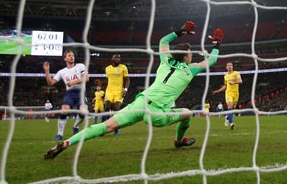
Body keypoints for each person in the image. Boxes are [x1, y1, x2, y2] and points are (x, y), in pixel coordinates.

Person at [44, 21, 223, 160]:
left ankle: (67, 142)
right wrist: (216, 43)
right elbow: (213, 60)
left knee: (104, 126)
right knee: (187, 113)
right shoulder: (191, 69)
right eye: (191, 54)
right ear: (186, 57)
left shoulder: (165, 60)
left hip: (139, 103)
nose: (192, 56)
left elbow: (163, 41)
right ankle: (178, 141)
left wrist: (181, 31)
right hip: (155, 114)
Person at [43, 50, 89, 140]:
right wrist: (47, 71)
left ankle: (75, 126)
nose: (72, 57)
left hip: (81, 93)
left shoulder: (80, 66)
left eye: (72, 55)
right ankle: (59, 134)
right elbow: (50, 82)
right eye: (69, 55)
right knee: (64, 111)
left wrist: (73, 82)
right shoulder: (62, 72)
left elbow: (86, 78)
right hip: (70, 94)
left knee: (84, 112)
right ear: (65, 58)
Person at [104, 53, 130, 135]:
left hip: (119, 91)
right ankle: (103, 126)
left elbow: (127, 80)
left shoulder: (123, 67)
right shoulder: (107, 68)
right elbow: (108, 80)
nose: (118, 59)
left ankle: (116, 128)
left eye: (119, 58)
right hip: (109, 90)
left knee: (116, 108)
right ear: (112, 59)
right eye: (116, 58)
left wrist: (125, 89)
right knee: (107, 106)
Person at [212, 62, 242, 130]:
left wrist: (233, 82)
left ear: (232, 67)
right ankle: (231, 123)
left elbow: (240, 81)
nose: (229, 66)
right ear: (226, 67)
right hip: (228, 93)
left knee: (232, 109)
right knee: (230, 106)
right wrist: (218, 91)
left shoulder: (236, 73)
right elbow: (225, 86)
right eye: (228, 65)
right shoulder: (225, 76)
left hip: (236, 93)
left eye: (230, 65)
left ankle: (227, 117)